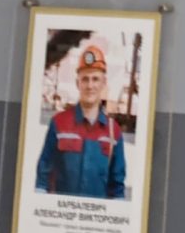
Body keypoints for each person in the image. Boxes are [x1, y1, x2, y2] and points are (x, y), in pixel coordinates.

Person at [35, 34, 127, 199]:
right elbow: (43, 177)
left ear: (103, 83)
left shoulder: (114, 132)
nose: (90, 85)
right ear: (78, 83)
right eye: (85, 79)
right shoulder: (59, 123)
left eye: (95, 79)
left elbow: (117, 187)